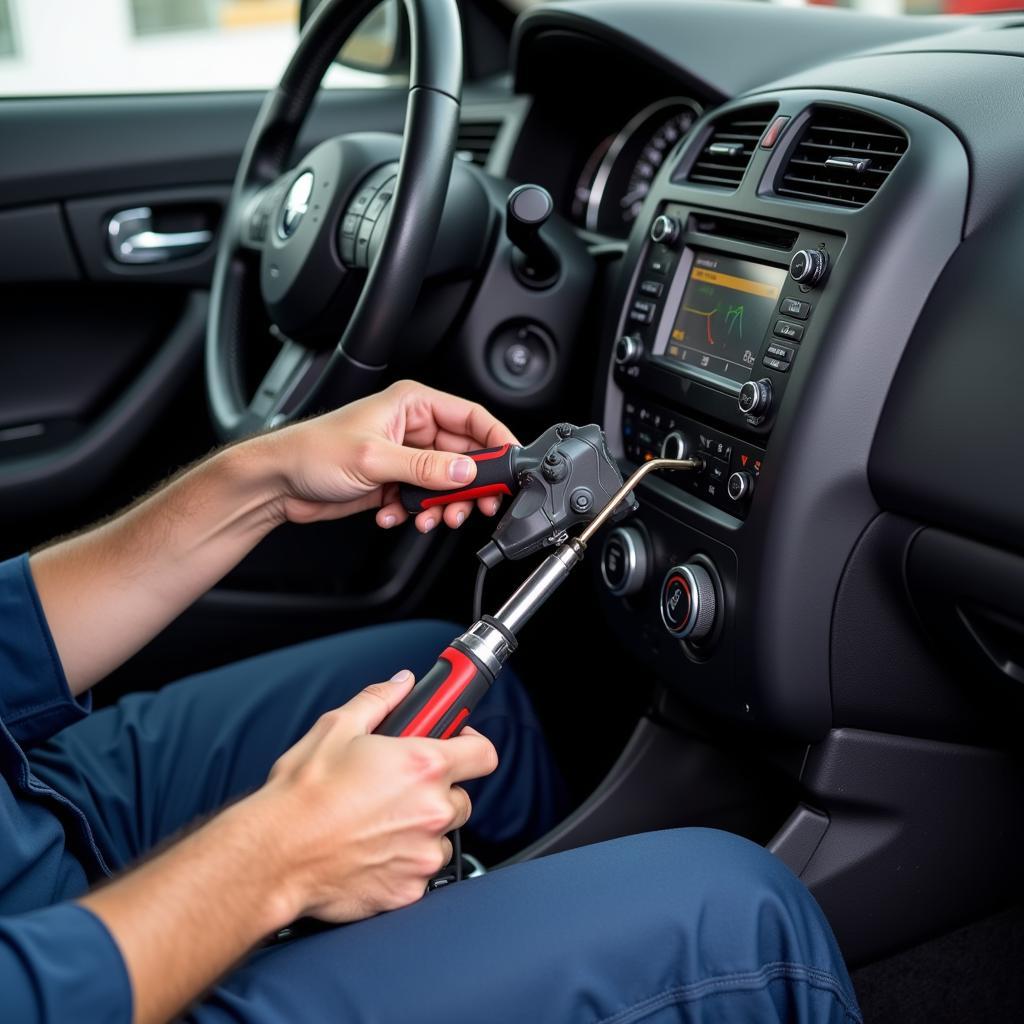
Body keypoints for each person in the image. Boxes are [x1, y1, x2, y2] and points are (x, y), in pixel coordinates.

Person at [0, 380, 861, 1024]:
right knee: (742, 918)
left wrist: (263, 479)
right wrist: (280, 855)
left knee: (437, 683)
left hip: (31, 818)